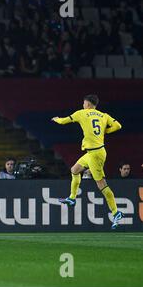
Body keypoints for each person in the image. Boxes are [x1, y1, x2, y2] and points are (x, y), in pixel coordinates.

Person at [51, 94, 123, 229]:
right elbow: (118, 126)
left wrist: (56, 119)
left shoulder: (82, 113)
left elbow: (64, 121)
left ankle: (116, 212)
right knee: (74, 170)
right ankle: (72, 198)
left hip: (95, 155)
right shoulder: (104, 115)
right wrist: (105, 131)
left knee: (101, 184)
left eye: (84, 103)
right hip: (93, 152)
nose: (83, 105)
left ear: (88, 104)